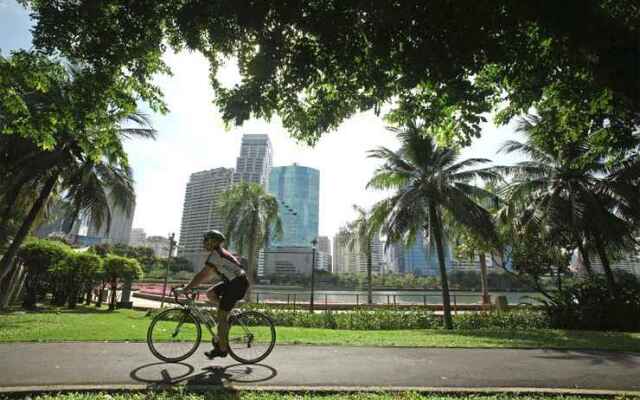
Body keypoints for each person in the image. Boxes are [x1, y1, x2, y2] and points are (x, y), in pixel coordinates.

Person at [179, 229, 249, 359]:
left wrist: (187, 288)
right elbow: (207, 276)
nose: (203, 243)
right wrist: (191, 286)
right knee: (210, 293)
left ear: (213, 242)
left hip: (238, 284)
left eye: (206, 240)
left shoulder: (216, 255)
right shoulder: (216, 254)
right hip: (231, 283)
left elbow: (203, 274)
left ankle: (222, 350)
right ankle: (227, 314)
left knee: (221, 317)